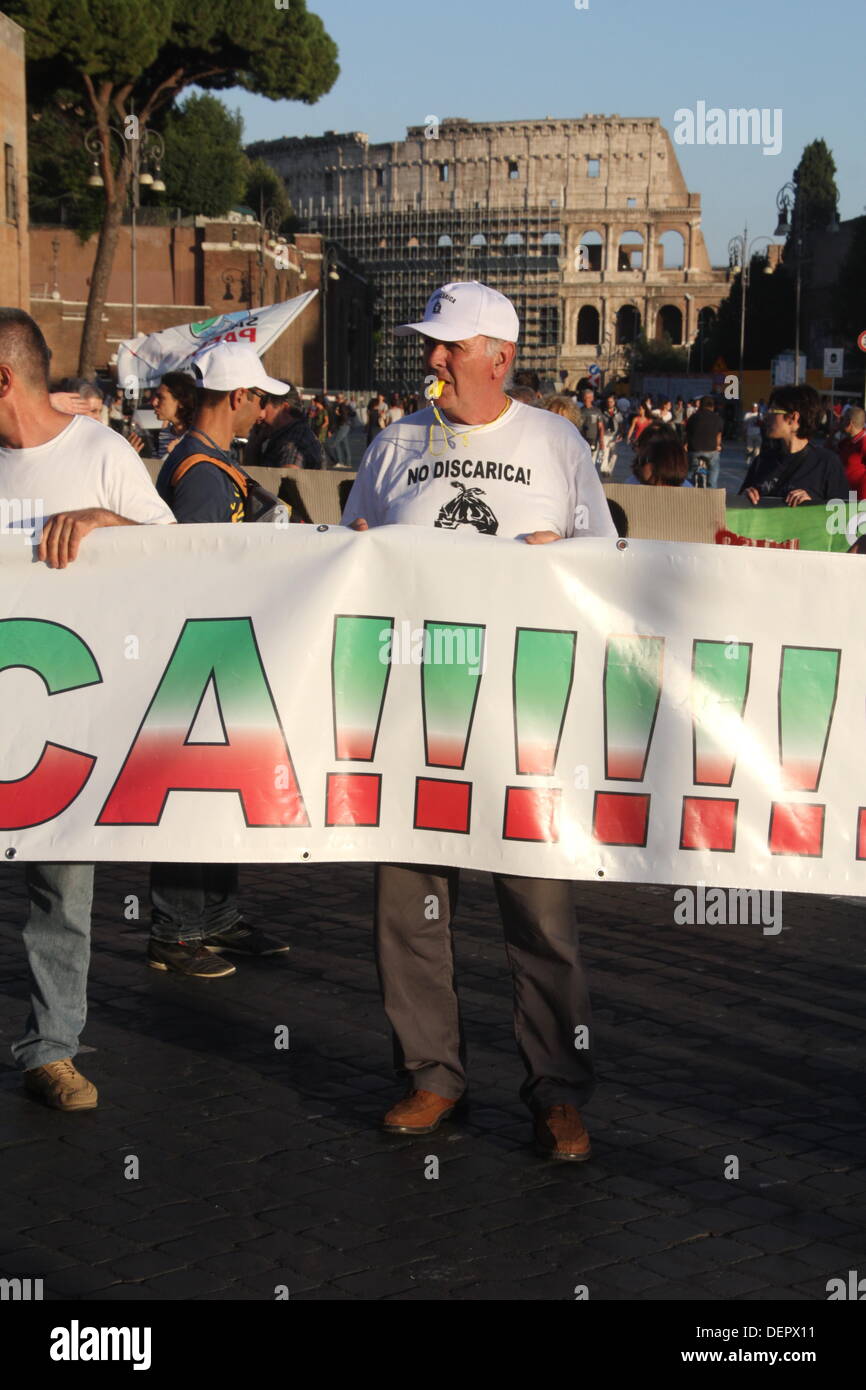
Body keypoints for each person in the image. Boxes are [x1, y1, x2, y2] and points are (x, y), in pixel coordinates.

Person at [342, 280, 616, 1161]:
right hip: (413, 717)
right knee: (409, 909)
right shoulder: (393, 445)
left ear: (498, 356)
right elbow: (348, 561)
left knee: (541, 916)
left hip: (522, 720)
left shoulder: (556, 442)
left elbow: (607, 569)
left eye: (448, 347)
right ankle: (431, 1077)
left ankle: (557, 1092)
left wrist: (560, 559)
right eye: (430, 344)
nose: (432, 359)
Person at [0, 308, 175, 1110]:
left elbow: (182, 555)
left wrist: (111, 523)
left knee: (61, 890)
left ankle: (53, 1047)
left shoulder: (101, 455)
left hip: (60, 723)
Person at [149, 341, 293, 976]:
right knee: (193, 795)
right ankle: (177, 931)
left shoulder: (206, 463)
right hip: (201, 654)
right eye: (258, 400)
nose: (261, 412)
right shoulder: (205, 476)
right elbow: (196, 576)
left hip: (212, 651)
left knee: (216, 794)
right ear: (237, 397)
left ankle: (215, 917)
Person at [740, 384, 849, 506]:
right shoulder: (762, 461)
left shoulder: (827, 463)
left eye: (772, 411)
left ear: (793, 418)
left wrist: (813, 505)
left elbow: (844, 516)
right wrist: (744, 498)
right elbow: (738, 509)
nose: (766, 416)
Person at [245, 383, 323, 470]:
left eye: (264, 406)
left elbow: (289, 478)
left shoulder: (293, 442)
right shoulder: (288, 436)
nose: (260, 415)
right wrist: (255, 442)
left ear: (285, 408)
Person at [685, 396, 723, 488]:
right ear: (713, 406)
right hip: (711, 451)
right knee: (713, 471)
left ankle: (687, 488)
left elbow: (687, 434)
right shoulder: (717, 419)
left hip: (694, 450)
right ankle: (712, 490)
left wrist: (686, 445)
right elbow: (719, 436)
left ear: (700, 405)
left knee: (690, 473)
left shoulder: (693, 417)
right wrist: (718, 446)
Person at [837, 406, 866, 499]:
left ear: (849, 423)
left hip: (861, 498)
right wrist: (833, 432)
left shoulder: (864, 443)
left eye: (843, 419)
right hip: (848, 494)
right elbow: (827, 452)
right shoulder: (847, 441)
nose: (840, 422)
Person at [577, 386, 605, 467]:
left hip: (593, 438)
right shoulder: (579, 411)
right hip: (582, 439)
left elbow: (601, 427)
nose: (587, 399)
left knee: (592, 460)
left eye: (589, 397)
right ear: (583, 398)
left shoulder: (597, 411)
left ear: (592, 398)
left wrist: (601, 440)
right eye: (585, 397)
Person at [326, 391, 354, 468]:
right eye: (337, 398)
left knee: (334, 443)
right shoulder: (339, 405)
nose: (337, 399)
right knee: (344, 444)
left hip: (343, 425)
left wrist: (340, 414)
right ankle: (347, 463)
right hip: (342, 426)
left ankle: (339, 461)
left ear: (342, 398)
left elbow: (348, 415)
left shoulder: (343, 405)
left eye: (338, 398)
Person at [598, 392, 623, 475]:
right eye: (608, 401)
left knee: (614, 454)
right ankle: (604, 470)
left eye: (611, 402)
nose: (609, 403)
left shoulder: (618, 413)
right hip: (605, 434)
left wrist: (621, 434)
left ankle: (609, 469)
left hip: (614, 436)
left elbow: (621, 423)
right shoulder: (603, 412)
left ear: (615, 402)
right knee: (605, 453)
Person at [743, 401, 762, 468]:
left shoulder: (759, 415)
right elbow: (744, 425)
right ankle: (747, 462)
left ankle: (755, 464)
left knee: (757, 451)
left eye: (756, 408)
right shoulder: (748, 415)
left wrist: (759, 420)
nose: (754, 409)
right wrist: (744, 434)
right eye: (753, 407)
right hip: (749, 434)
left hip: (758, 434)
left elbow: (761, 424)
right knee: (749, 449)